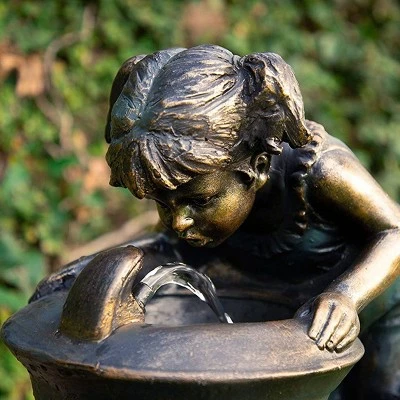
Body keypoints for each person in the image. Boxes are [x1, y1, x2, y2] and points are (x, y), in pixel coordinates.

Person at [35, 45, 400, 399]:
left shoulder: (322, 171)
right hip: (280, 305)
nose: (178, 222)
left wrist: (346, 296)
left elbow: (394, 231)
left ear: (257, 167)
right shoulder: (202, 211)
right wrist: (91, 273)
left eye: (199, 201)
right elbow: (169, 249)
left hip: (366, 309)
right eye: (162, 203)